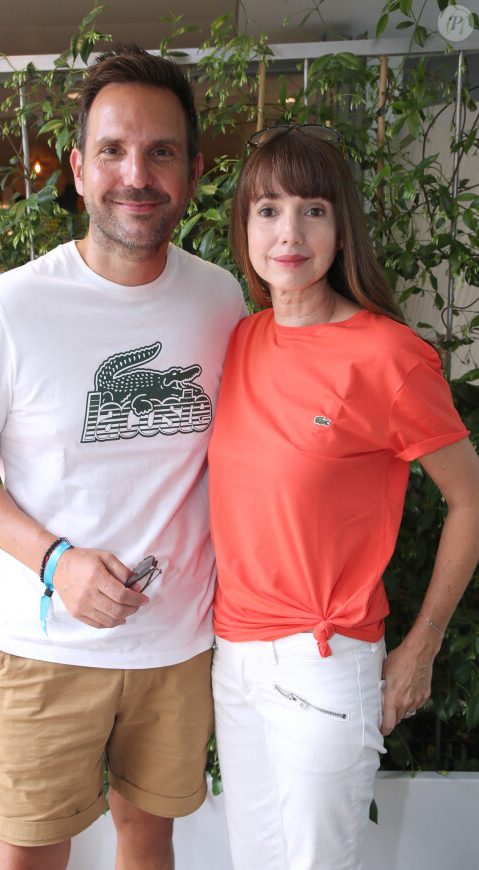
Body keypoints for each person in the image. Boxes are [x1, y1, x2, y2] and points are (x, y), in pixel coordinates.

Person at [0, 44, 246, 870]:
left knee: (149, 834)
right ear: (77, 168)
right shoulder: (9, 308)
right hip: (47, 647)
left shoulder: (221, 297)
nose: (135, 173)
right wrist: (56, 560)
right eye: (112, 150)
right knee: (31, 852)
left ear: (194, 169)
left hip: (177, 642)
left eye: (160, 151)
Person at [207, 124, 479, 870]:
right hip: (234, 659)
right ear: (245, 226)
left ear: (342, 226)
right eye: (267, 210)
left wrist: (420, 647)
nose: (288, 232)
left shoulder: (387, 356)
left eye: (312, 209)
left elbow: (472, 500)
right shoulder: (238, 340)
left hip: (323, 664)